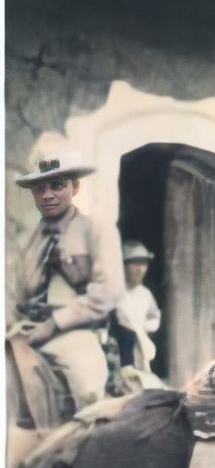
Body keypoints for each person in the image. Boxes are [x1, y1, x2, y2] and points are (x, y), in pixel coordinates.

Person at [10, 150, 125, 409]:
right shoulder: (27, 240)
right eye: (39, 189)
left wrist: (53, 324)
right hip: (26, 327)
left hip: (75, 331)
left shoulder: (95, 230)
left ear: (75, 186)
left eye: (57, 185)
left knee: (87, 387)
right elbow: (17, 290)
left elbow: (108, 291)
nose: (47, 194)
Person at [113, 240, 161, 372]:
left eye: (143, 263)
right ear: (123, 265)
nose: (140, 269)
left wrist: (144, 327)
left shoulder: (145, 294)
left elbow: (154, 316)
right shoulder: (114, 292)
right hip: (120, 351)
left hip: (141, 348)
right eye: (135, 263)